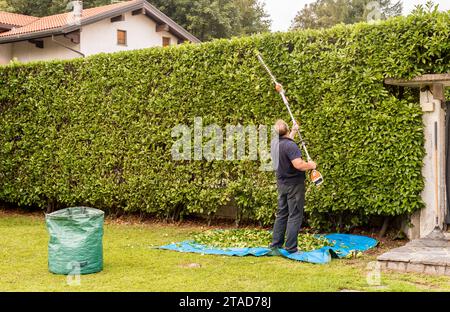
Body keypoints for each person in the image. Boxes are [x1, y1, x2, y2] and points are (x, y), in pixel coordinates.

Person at [270, 119, 317, 254]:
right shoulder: (291, 146)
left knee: (282, 213)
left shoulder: (275, 143)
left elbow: (286, 143)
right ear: (286, 130)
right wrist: (311, 166)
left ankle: (276, 244)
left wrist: (294, 131)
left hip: (282, 184)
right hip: (294, 185)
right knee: (295, 215)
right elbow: (298, 164)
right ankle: (291, 247)